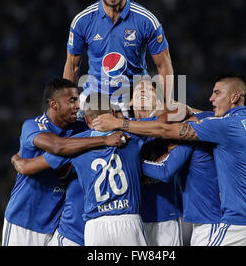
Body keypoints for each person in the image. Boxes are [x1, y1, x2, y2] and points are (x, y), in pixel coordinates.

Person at [93, 73, 246, 246]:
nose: (211, 98)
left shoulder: (207, 126)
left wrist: (126, 158)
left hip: (216, 221)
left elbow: (166, 156)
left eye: (217, 93)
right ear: (130, 102)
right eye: (138, 91)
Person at [9, 93, 150, 246]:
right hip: (128, 220)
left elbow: (27, 167)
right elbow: (162, 128)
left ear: (87, 119)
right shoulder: (132, 136)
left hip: (95, 226)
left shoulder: (75, 145)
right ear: (114, 113)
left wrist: (16, 159)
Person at [63, 0, 174, 114]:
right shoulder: (82, 21)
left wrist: (165, 105)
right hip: (95, 102)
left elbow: (163, 64)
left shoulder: (146, 20)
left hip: (134, 101)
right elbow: (72, 66)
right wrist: (69, 104)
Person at [141, 110, 222, 246]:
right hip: (199, 218)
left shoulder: (187, 129)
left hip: (195, 217)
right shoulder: (126, 127)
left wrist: (132, 165)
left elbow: (165, 171)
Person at [131, 78, 184, 246]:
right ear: (131, 101)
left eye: (150, 90)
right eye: (138, 89)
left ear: (159, 102)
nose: (143, 91)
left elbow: (167, 171)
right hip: (132, 219)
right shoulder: (120, 131)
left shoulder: (170, 127)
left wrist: (132, 166)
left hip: (166, 216)